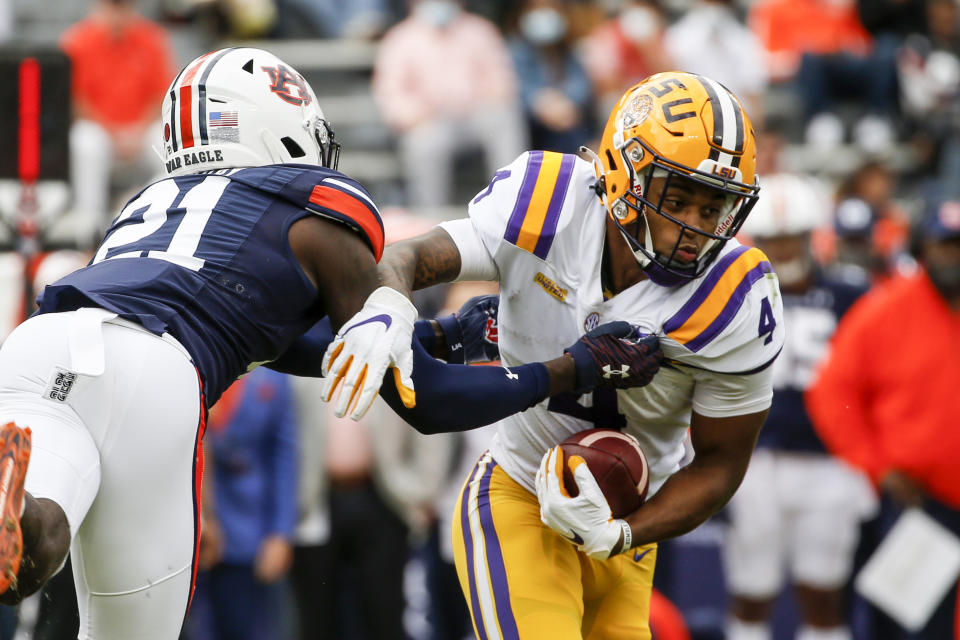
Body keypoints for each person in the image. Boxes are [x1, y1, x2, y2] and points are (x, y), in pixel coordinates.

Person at [0, 47, 662, 639]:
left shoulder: (146, 205)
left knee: (38, 542)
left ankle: (20, 512)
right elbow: (420, 401)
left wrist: (441, 335)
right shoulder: (313, 208)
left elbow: (277, 342)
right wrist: (571, 368)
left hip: (42, 346)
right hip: (151, 371)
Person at [377, 71, 785, 638]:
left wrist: (625, 534)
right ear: (623, 176)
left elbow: (721, 464)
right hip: (518, 492)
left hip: (630, 526)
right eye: (679, 197)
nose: (695, 226)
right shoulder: (549, 199)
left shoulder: (737, 295)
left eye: (715, 206)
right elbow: (412, 255)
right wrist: (385, 309)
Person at [724, 173, 877, 640]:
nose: (783, 249)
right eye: (772, 239)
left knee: (824, 594)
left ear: (812, 236)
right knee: (751, 590)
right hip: (756, 460)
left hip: (829, 461)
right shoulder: (734, 295)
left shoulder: (851, 294)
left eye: (790, 238)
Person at [805, 193, 960, 640]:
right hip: (919, 504)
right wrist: (877, 464)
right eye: (943, 244)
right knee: (913, 627)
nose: (952, 256)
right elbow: (834, 393)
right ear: (921, 247)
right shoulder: (885, 309)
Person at [183, 366, 298, 640]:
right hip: (187, 526)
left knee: (247, 625)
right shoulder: (185, 365)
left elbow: (284, 456)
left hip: (248, 529)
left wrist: (280, 533)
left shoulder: (273, 377)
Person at [60, 0, 176, 247]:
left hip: (141, 132)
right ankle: (88, 226)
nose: (118, 12)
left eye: (123, 5)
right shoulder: (77, 41)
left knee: (168, 141)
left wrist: (138, 130)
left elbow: (162, 95)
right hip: (102, 132)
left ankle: (144, 210)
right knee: (86, 140)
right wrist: (113, 132)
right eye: (112, 5)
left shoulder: (151, 38)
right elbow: (73, 100)